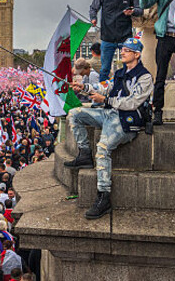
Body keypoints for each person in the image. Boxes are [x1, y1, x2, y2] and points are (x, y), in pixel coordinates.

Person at [63, 37, 153, 219]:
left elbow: (133, 102)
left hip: (126, 121)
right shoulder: (120, 73)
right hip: (109, 113)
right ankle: (84, 154)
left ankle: (104, 197)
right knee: (74, 113)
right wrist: (84, 87)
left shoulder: (145, 77)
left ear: (137, 55)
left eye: (127, 50)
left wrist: (106, 100)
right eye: (123, 49)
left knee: (103, 148)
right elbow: (104, 87)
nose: (123, 52)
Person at [87, 0, 142, 81]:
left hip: (125, 37)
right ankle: (102, 94)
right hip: (108, 38)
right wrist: (93, 18)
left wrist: (133, 11)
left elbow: (140, 9)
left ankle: (128, 90)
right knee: (105, 69)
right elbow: (93, 8)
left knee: (130, 67)